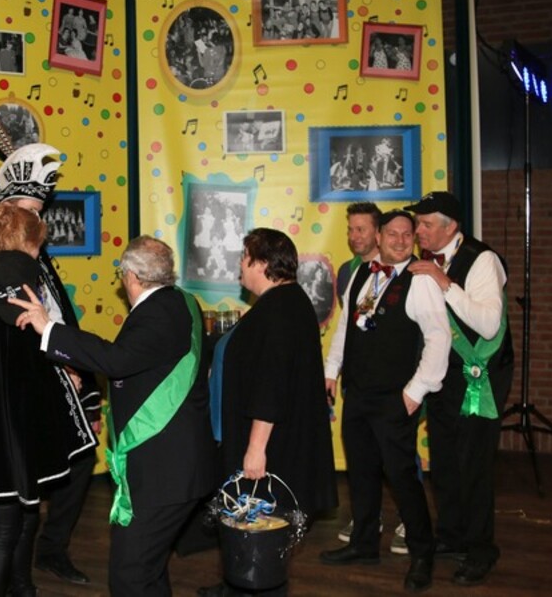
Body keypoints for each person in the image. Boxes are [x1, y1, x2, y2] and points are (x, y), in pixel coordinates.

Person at [10, 236, 215, 596]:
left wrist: (50, 329)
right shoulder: (182, 301)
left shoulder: (157, 313)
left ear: (130, 276)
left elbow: (116, 360)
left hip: (164, 471)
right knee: (149, 570)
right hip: (176, 463)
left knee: (129, 575)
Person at [0, 144, 102, 586]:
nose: (36, 219)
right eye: (29, 212)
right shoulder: (2, 279)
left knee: (24, 517)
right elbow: (17, 351)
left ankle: (24, 586)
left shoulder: (13, 271)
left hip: (18, 421)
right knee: (6, 528)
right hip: (4, 425)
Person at [199, 228, 337, 597]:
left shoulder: (278, 310)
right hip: (278, 437)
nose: (239, 267)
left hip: (271, 444)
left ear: (261, 263)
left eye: (244, 259)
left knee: (261, 526)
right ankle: (236, 586)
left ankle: (253, 588)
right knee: (249, 523)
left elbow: (272, 385)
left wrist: (256, 448)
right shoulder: (287, 301)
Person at [320, 210, 451, 593]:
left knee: (403, 480)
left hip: (395, 400)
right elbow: (348, 326)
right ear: (378, 237)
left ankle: (422, 555)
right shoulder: (363, 273)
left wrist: (415, 392)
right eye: (392, 233)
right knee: (361, 474)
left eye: (406, 234)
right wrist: (331, 370)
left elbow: (439, 339)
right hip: (358, 394)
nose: (399, 240)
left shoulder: (420, 280)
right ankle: (364, 544)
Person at [404, 191, 514, 586]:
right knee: (445, 461)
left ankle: (481, 549)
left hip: (478, 377)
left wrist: (444, 282)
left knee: (474, 465)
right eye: (418, 223)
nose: (418, 231)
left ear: (451, 227)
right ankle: (451, 536)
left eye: (425, 224)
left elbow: (488, 324)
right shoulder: (425, 261)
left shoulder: (482, 260)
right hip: (444, 376)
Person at [336, 202, 382, 307]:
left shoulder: (393, 269)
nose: (353, 237)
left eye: (360, 229)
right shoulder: (346, 270)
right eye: (350, 230)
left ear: (378, 231)